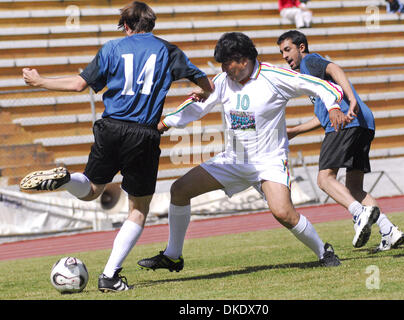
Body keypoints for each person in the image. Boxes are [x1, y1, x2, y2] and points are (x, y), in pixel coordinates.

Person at [19, 1, 214, 292]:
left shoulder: (111, 48)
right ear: (152, 24)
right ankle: (109, 276)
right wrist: (201, 90)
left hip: (109, 127)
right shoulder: (168, 50)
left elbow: (77, 85)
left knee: (91, 190)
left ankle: (67, 178)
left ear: (126, 26)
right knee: (138, 208)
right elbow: (206, 84)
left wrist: (39, 80)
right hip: (142, 133)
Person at [137, 32, 343, 273]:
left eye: (227, 63)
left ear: (243, 60)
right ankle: (172, 256)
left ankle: (323, 251)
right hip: (234, 160)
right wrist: (162, 126)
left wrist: (333, 106)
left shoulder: (274, 76)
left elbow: (323, 86)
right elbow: (197, 105)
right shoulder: (224, 81)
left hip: (269, 161)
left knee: (284, 213)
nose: (224, 69)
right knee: (179, 190)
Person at [277, 30, 404, 251]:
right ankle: (389, 231)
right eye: (281, 52)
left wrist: (352, 97)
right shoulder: (312, 80)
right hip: (364, 124)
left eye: (287, 50)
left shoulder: (310, 62)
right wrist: (296, 130)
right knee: (354, 189)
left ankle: (359, 214)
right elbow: (323, 115)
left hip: (345, 123)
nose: (284, 56)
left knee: (324, 179)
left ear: (301, 48)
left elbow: (334, 68)